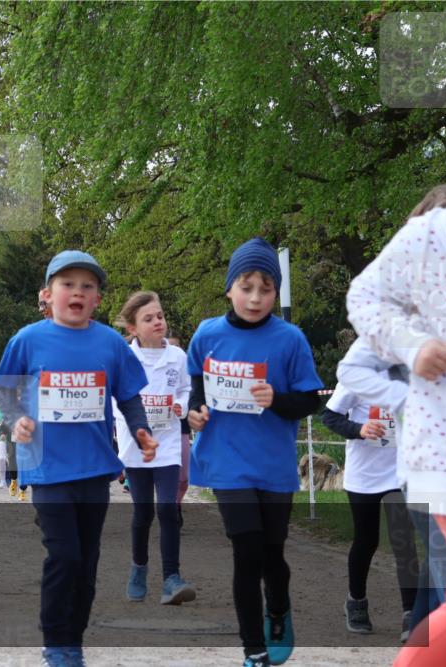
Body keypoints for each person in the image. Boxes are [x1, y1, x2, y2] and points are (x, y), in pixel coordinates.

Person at [0, 250, 159, 667]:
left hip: (94, 468)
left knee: (87, 561)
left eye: (88, 286)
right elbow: (5, 392)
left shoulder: (109, 343)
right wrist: (17, 421)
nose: (78, 292)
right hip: (47, 468)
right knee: (64, 554)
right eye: (68, 284)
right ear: (48, 294)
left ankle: (74, 641)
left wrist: (140, 430)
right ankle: (56, 643)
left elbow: (128, 397)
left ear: (98, 300)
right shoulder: (27, 340)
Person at [187, 237, 323, 667]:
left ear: (276, 293)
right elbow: (195, 384)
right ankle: (254, 649)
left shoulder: (290, 339)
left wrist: (276, 399)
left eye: (266, 289)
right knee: (246, 552)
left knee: (272, 555)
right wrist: (194, 412)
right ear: (229, 288)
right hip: (227, 463)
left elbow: (310, 399)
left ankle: (278, 610)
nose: (256, 297)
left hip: (273, 464)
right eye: (246, 287)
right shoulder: (208, 334)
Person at [345, 189, 446, 662]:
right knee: (428, 564)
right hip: (425, 464)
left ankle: (415, 627)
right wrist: (409, 393)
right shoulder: (402, 312)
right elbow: (350, 373)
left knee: (432, 573)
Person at [321, 341, 418, 640]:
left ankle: (411, 614)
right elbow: (330, 416)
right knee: (367, 540)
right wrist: (360, 429)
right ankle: (356, 601)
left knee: (404, 542)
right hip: (364, 476)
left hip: (400, 472)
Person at [114, 291, 196, 605]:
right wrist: (125, 432)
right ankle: (138, 569)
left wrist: (181, 405)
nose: (157, 322)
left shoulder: (177, 356)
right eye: (148, 319)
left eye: (159, 315)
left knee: (168, 508)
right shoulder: (125, 357)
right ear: (133, 328)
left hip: (169, 442)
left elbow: (187, 388)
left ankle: (172, 578)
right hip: (137, 446)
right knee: (143, 512)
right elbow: (115, 397)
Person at [167, 333, 191, 527]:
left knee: (183, 478)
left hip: (181, 428)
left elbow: (190, 393)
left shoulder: (184, 369)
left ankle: (176, 503)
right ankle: (167, 508)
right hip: (159, 428)